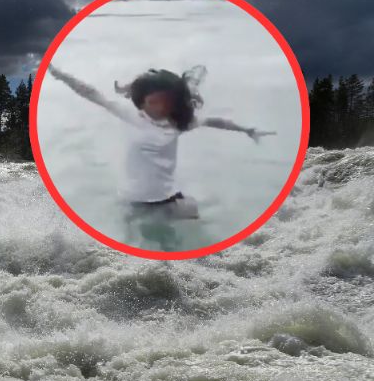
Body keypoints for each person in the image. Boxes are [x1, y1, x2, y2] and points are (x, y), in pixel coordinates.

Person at [47, 64, 276, 249]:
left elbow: (215, 121)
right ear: (141, 102)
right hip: (134, 201)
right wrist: (61, 76)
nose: (159, 108)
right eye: (152, 102)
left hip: (167, 198)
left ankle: (190, 84)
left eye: (164, 102)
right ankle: (146, 86)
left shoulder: (180, 122)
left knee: (186, 224)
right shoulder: (131, 116)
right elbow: (92, 94)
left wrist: (248, 130)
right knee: (137, 238)